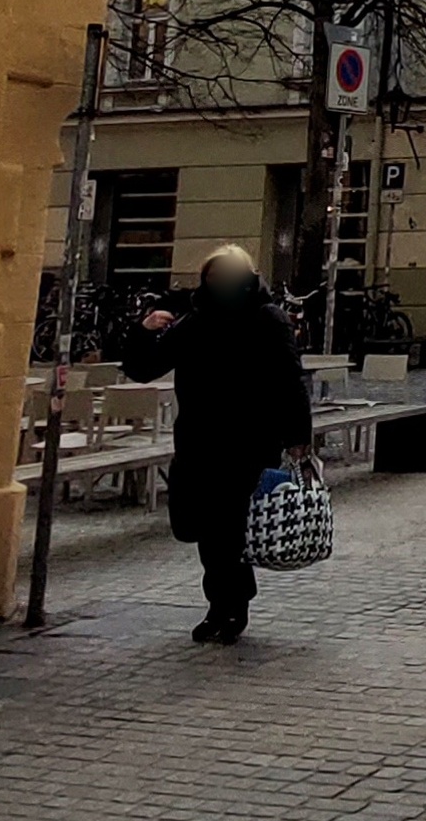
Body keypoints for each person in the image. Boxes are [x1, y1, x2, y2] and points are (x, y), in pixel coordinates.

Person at [123, 245, 312, 643]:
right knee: (204, 530)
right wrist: (143, 331)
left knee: (229, 529)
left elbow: (289, 381)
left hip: (249, 443)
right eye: (213, 276)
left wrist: (298, 440)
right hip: (198, 442)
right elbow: (143, 369)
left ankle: (230, 607)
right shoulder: (195, 322)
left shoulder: (267, 319)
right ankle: (221, 603)